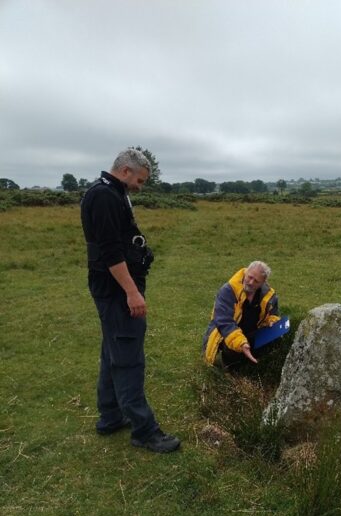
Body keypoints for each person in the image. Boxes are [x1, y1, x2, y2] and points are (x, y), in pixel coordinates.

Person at [81, 148, 180, 453]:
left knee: (113, 351)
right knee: (128, 358)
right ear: (125, 171)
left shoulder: (111, 193)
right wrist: (132, 292)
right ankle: (144, 430)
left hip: (112, 289)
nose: (140, 186)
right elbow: (110, 252)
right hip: (116, 292)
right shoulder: (105, 197)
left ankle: (110, 416)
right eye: (139, 180)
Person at [203, 261, 280, 367]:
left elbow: (273, 313)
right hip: (225, 336)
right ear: (246, 272)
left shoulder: (269, 295)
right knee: (232, 349)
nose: (251, 282)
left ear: (263, 283)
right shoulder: (228, 290)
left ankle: (256, 365)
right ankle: (226, 366)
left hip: (251, 334)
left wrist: (271, 320)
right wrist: (241, 343)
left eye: (256, 281)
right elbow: (224, 322)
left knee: (276, 339)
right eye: (250, 277)